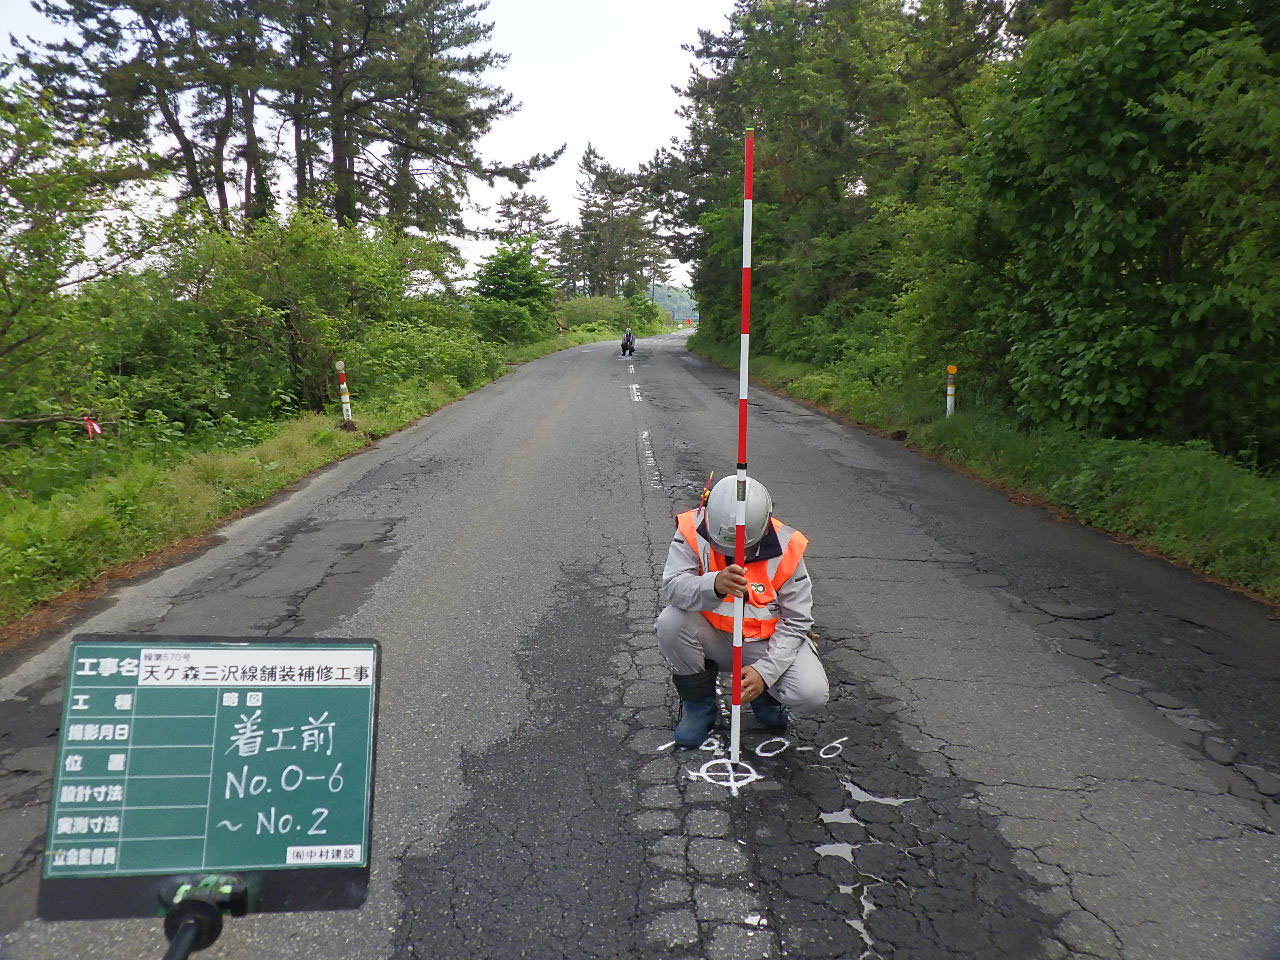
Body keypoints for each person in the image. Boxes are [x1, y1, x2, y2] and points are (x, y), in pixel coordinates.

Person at [655, 475, 829, 747]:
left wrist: (765, 673)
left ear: (764, 525)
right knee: (670, 622)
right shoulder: (692, 528)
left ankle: (765, 696)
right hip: (713, 638)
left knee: (811, 693)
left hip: (765, 644)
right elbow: (673, 589)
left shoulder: (788, 547)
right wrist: (713, 584)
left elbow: (797, 621)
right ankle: (699, 708)